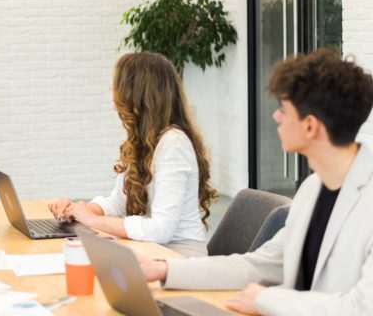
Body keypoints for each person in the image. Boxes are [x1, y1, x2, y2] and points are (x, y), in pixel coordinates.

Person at [139, 49, 373, 315]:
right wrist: (165, 268)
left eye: (283, 110)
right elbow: (260, 265)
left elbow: (363, 308)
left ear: (310, 126)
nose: (276, 117)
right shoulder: (312, 190)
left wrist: (266, 300)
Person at [49, 52, 217, 257]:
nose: (111, 89)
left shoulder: (174, 144)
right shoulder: (143, 139)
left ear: (136, 92)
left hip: (178, 256)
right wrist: (78, 211)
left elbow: (161, 229)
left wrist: (92, 220)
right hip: (149, 250)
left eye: (116, 83)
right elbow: (118, 203)